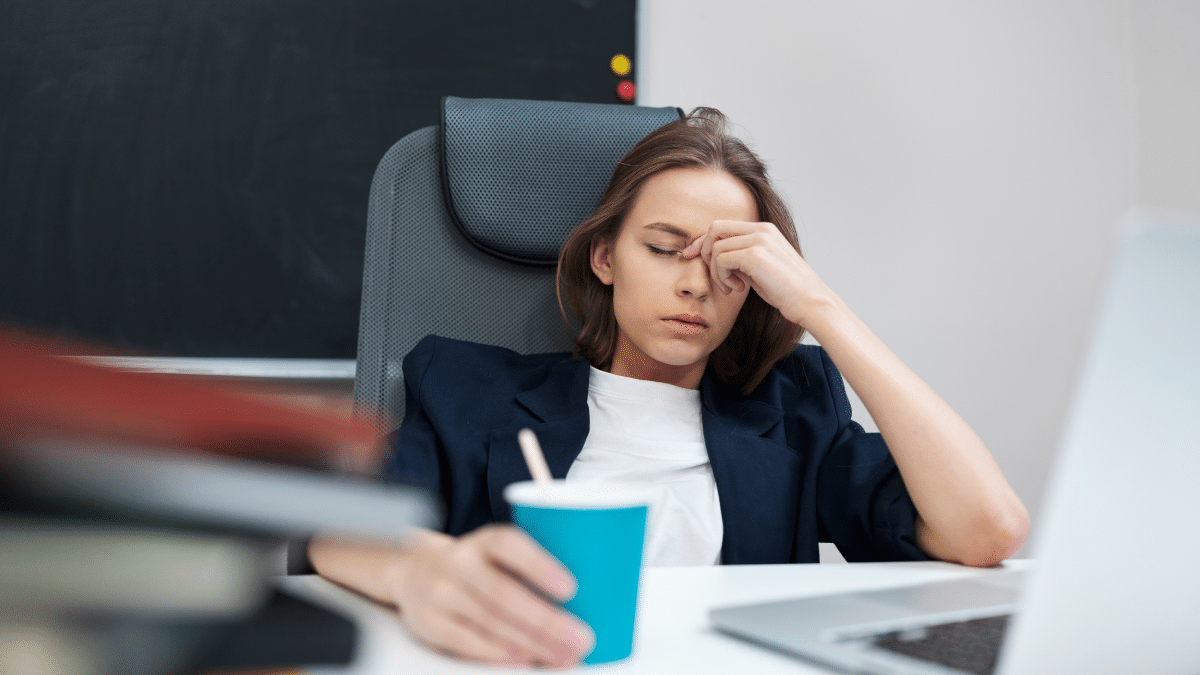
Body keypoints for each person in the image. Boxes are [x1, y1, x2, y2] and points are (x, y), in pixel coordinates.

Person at [309, 108, 1029, 668]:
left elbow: (987, 530)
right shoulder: (468, 387)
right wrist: (419, 571)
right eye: (662, 247)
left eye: (729, 266)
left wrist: (821, 309)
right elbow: (334, 533)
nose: (694, 282)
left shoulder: (794, 411)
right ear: (604, 256)